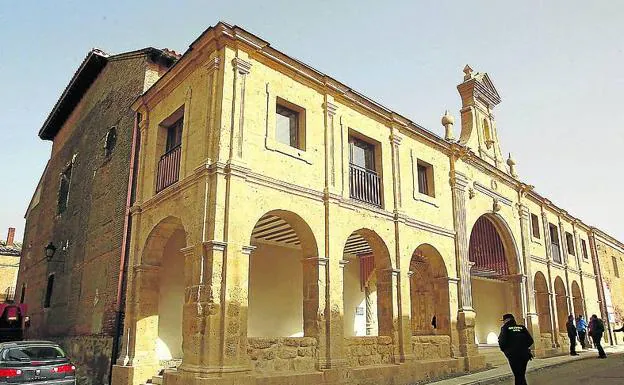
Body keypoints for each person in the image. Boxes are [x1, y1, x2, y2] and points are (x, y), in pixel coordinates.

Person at [498, 313, 534, 385]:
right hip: (524, 355)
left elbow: (502, 342)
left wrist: (507, 351)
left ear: (507, 320)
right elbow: (530, 340)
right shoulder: (522, 327)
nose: (503, 322)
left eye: (504, 320)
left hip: (513, 356)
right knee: (521, 375)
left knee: (518, 375)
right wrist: (522, 347)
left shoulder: (505, 328)